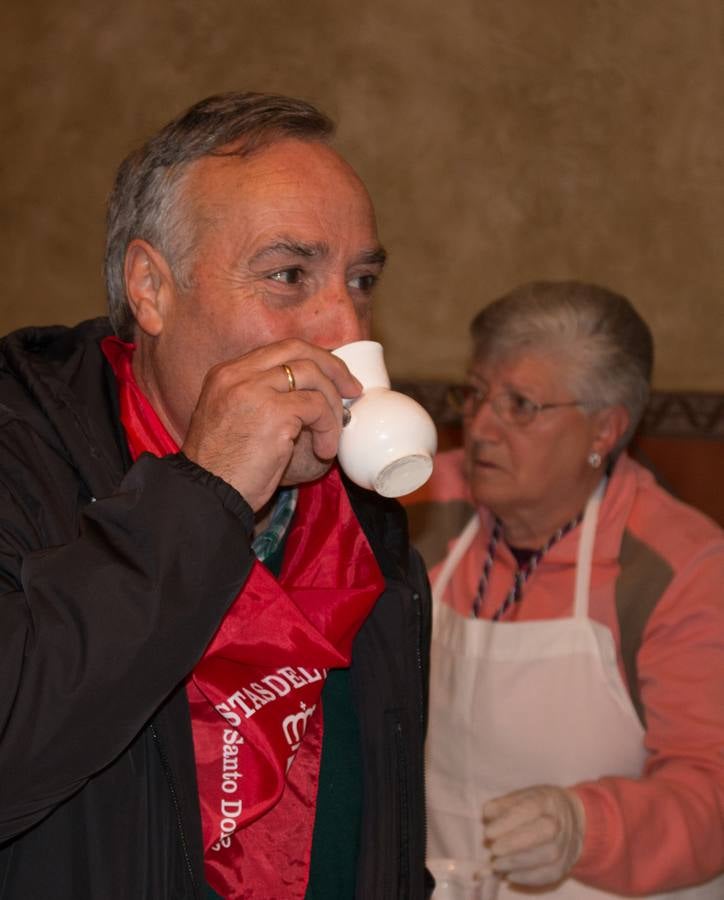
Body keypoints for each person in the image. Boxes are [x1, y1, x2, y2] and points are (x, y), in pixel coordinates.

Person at [0, 92, 432, 899]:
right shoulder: (22, 459)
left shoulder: (367, 528)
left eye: (362, 279)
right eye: (288, 275)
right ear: (151, 289)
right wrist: (205, 496)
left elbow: (386, 831)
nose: (344, 325)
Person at [406, 281, 724, 898]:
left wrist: (585, 826)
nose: (481, 429)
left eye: (520, 404)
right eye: (475, 395)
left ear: (605, 430)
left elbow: (711, 786)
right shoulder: (422, 509)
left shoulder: (680, 568)